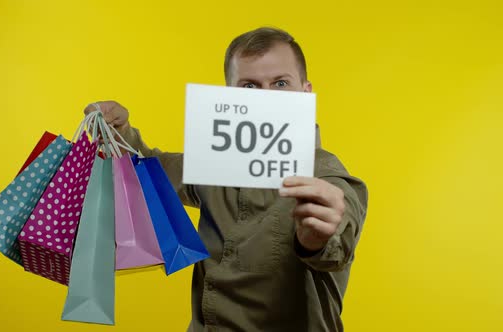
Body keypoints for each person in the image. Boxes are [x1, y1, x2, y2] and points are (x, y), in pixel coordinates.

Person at [86, 27, 368, 332]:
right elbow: (150, 175)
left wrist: (319, 238)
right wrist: (119, 134)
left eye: (281, 83)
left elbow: (340, 233)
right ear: (229, 96)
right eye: (248, 87)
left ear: (306, 93)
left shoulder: (326, 174)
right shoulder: (214, 162)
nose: (266, 99)